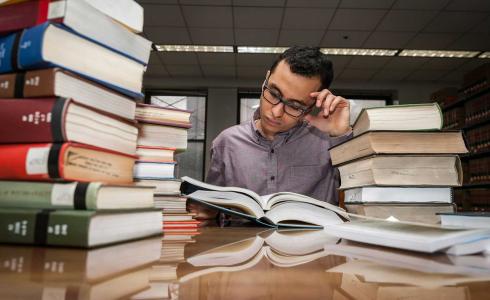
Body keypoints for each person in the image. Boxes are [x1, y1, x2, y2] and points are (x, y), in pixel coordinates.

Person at [191, 46, 352, 219]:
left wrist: (341, 134)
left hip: (315, 245)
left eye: (295, 106)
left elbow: (360, 196)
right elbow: (210, 209)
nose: (276, 112)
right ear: (266, 79)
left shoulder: (328, 143)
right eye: (274, 94)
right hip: (243, 244)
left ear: (311, 106)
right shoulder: (226, 143)